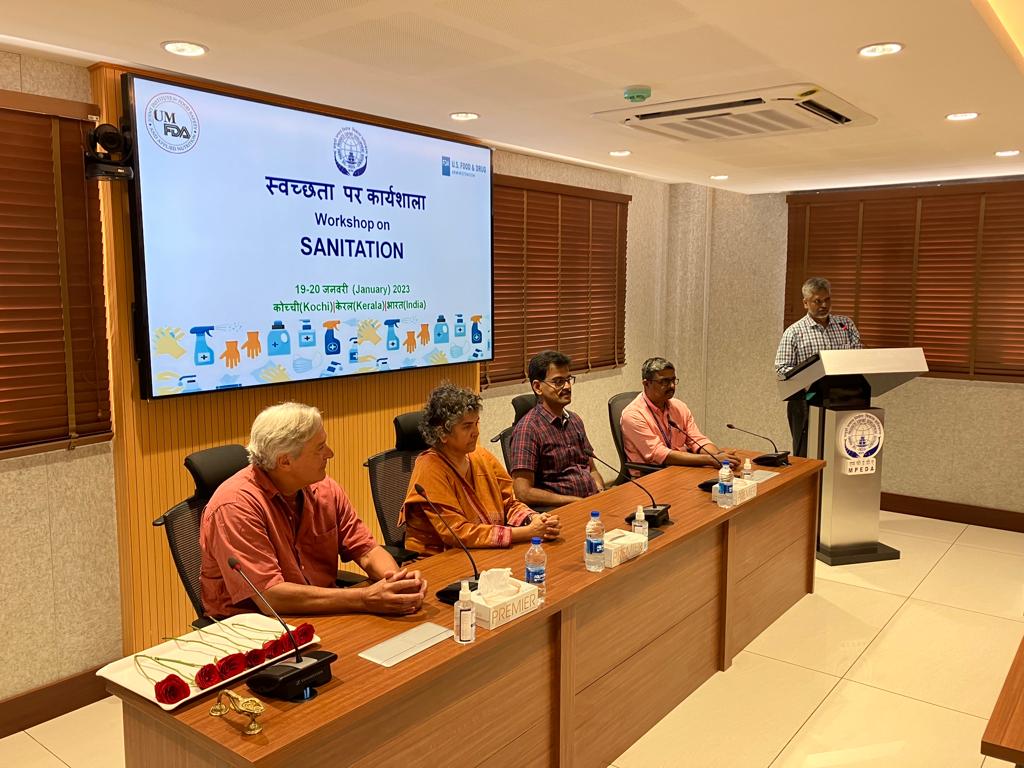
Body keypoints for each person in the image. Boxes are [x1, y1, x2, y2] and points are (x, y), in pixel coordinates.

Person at [200, 402, 426, 617]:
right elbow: (270, 597)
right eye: (320, 448)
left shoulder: (325, 488)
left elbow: (366, 550)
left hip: (320, 612)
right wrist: (364, 598)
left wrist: (398, 584)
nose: (330, 453)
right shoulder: (236, 507)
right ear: (285, 462)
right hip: (256, 630)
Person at [401, 382, 561, 556]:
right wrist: (527, 533)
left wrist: (534, 519)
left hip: (486, 553)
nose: (476, 432)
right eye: (467, 426)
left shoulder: (481, 455)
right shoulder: (429, 468)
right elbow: (458, 533)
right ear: (442, 433)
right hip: (441, 561)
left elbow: (509, 504)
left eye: (476, 423)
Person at [774, 276, 862, 456]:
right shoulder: (794, 332)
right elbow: (782, 369)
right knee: (808, 454)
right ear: (806, 303)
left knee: (841, 453)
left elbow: (858, 357)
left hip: (844, 398)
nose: (824, 305)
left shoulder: (845, 325)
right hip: (808, 401)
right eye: (817, 301)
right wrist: (808, 376)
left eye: (827, 299)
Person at [508, 350, 605, 507]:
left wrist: (600, 492)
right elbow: (523, 492)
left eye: (568, 379)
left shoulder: (575, 420)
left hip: (590, 505)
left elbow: (591, 468)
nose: (567, 386)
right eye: (558, 381)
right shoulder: (528, 430)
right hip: (559, 512)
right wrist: (574, 502)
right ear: (538, 387)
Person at [620, 357, 740, 471]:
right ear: (646, 384)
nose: (672, 386)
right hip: (649, 475)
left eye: (673, 380)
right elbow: (659, 454)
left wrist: (720, 456)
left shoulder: (679, 407)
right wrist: (711, 459)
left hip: (679, 468)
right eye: (664, 382)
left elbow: (697, 440)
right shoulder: (633, 415)